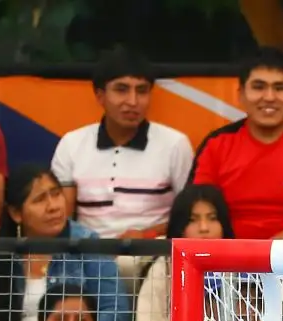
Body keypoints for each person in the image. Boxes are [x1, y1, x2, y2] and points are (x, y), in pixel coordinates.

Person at [190, 48, 283, 241]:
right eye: (258, 87)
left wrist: (259, 260)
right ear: (241, 94)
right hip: (225, 257)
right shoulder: (216, 144)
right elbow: (197, 217)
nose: (269, 97)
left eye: (279, 88)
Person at [50, 49, 192, 242]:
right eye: (121, 89)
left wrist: (146, 236)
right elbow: (61, 220)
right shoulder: (71, 144)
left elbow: (191, 215)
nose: (132, 102)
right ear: (100, 96)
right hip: (89, 259)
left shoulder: (175, 144)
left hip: (152, 257)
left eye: (141, 91)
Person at [0, 167, 128, 321]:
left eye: (56, 194)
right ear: (16, 213)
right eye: (40, 200)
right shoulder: (2, 252)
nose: (53, 206)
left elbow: (115, 311)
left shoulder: (87, 243)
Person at [134, 185, 229, 321]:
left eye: (212, 218)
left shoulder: (240, 269)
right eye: (193, 220)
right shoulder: (162, 268)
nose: (204, 228)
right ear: (180, 228)